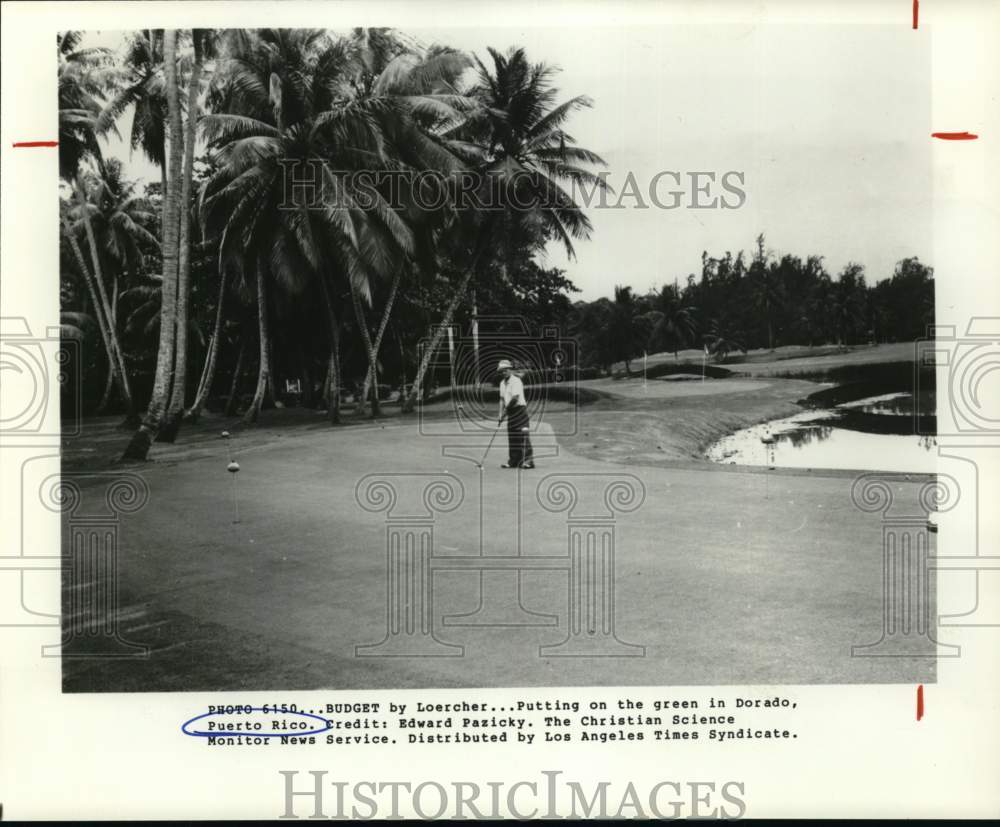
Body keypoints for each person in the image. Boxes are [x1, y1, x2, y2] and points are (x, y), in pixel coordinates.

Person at [497, 359, 535, 469]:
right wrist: (500, 414)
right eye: (501, 371)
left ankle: (528, 461)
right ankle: (514, 461)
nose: (504, 372)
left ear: (510, 370)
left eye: (506, 370)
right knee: (512, 436)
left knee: (523, 435)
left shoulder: (516, 381)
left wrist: (505, 411)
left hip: (519, 410)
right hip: (511, 412)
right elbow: (501, 399)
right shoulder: (502, 384)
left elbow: (515, 398)